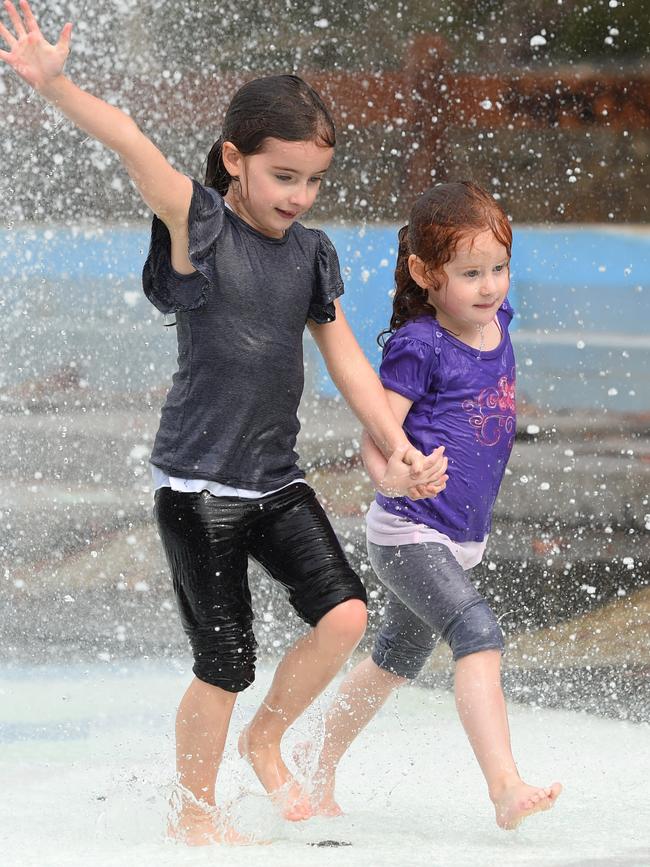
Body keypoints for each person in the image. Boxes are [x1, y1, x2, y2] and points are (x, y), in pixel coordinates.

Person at [0, 0, 448, 847]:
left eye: (314, 180)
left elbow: (348, 359)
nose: (300, 195)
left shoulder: (311, 252)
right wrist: (57, 87)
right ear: (235, 160)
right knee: (225, 660)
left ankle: (267, 737)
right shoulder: (199, 221)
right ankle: (195, 810)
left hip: (275, 480)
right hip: (200, 489)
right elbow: (133, 143)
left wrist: (399, 445)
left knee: (346, 615)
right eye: (284, 176)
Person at [301, 181, 563, 831]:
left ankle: (315, 755)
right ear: (425, 272)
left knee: (396, 656)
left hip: (456, 537)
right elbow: (375, 431)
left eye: (499, 267)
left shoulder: (496, 321)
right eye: (470, 273)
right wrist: (390, 476)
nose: (490, 286)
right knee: (477, 633)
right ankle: (504, 784)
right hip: (408, 531)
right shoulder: (421, 345)